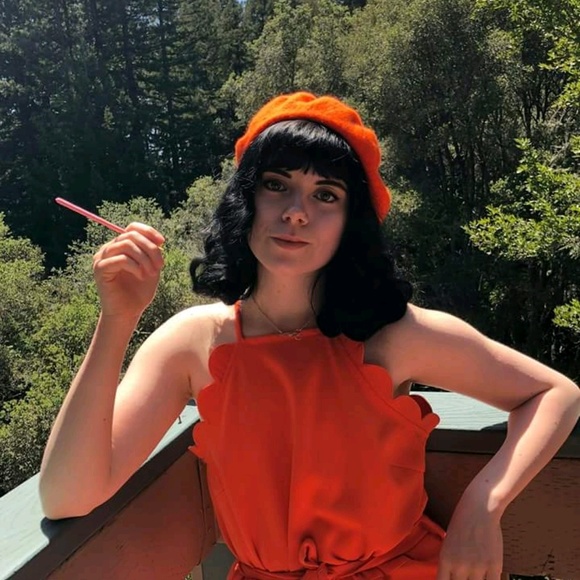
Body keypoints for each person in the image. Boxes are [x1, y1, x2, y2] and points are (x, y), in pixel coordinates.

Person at [39, 92, 580, 580]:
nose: (296, 213)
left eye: (326, 195)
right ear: (247, 200)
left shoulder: (394, 334)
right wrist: (118, 318)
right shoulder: (191, 344)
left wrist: (483, 504)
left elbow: (555, 393)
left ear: (351, 222)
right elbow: (67, 497)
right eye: (277, 185)